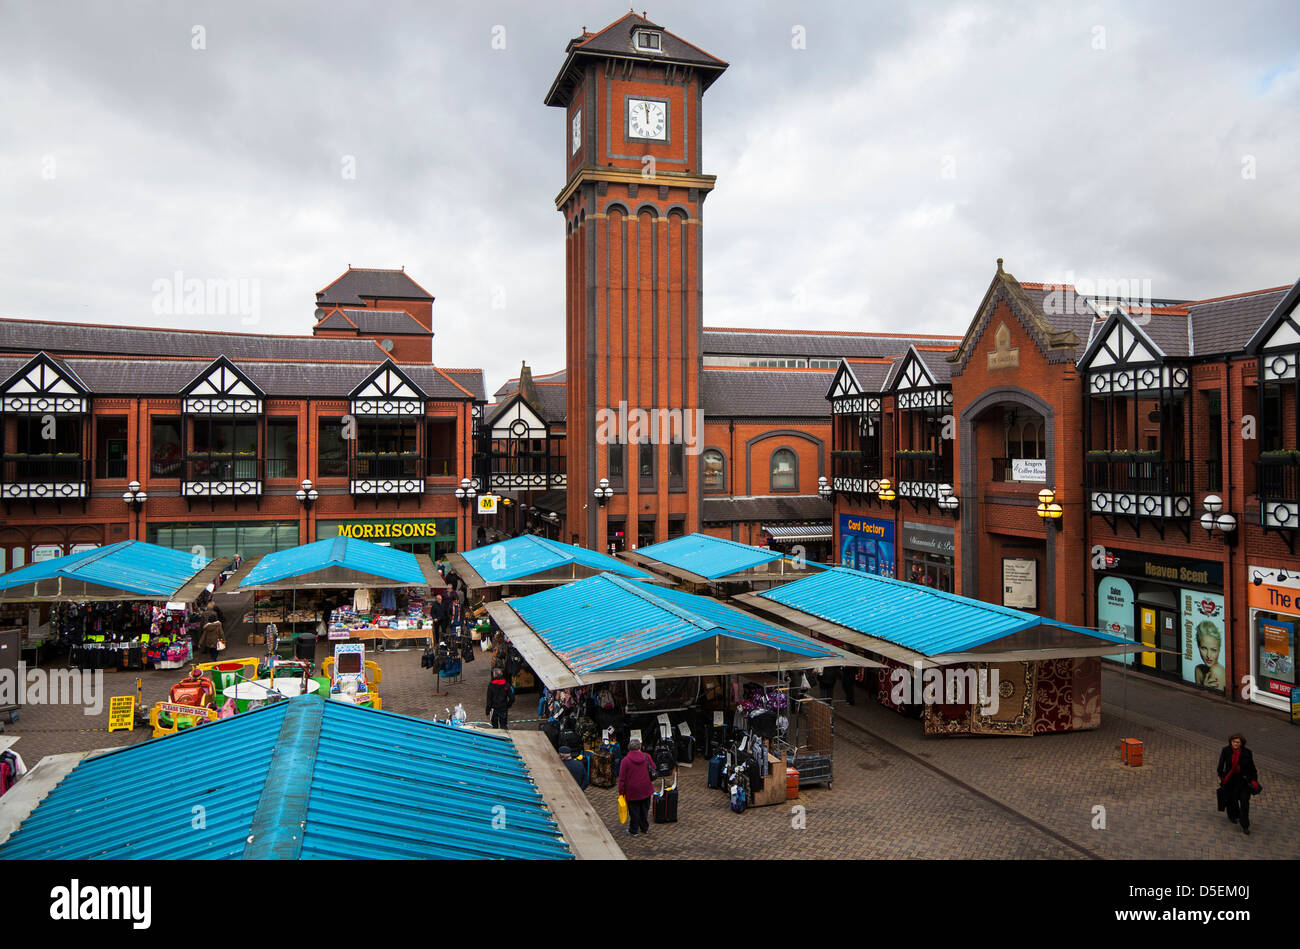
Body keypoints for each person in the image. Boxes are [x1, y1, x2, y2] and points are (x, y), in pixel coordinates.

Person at [1216, 733, 1260, 834]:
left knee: (1245, 802)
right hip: (1231, 780)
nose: (1235, 744)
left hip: (1243, 781)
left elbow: (1252, 769)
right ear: (1231, 742)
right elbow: (1220, 766)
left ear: (1241, 743)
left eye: (1238, 742)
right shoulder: (1226, 751)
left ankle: (1245, 825)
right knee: (1232, 800)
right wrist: (1222, 778)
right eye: (1234, 742)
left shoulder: (1247, 753)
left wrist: (1254, 780)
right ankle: (1232, 815)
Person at [618, 737, 655, 838]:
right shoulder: (646, 756)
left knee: (634, 811)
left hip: (632, 791)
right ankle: (644, 828)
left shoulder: (625, 761)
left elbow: (622, 779)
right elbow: (654, 767)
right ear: (640, 747)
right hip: (646, 788)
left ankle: (634, 830)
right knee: (645, 809)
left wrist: (621, 792)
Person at [1195, 623, 1226, 692]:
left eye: (1213, 650)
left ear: (1219, 649)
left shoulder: (1216, 671)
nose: (1208, 655)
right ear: (1198, 647)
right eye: (1204, 648)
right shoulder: (1199, 670)